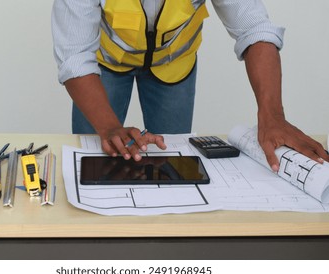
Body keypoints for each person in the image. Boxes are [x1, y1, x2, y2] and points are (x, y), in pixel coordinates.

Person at [51, 0, 329, 171]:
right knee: (96, 156)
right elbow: (75, 56)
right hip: (105, 66)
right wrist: (108, 126)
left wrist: (273, 117)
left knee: (172, 161)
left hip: (174, 66)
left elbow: (254, 29)